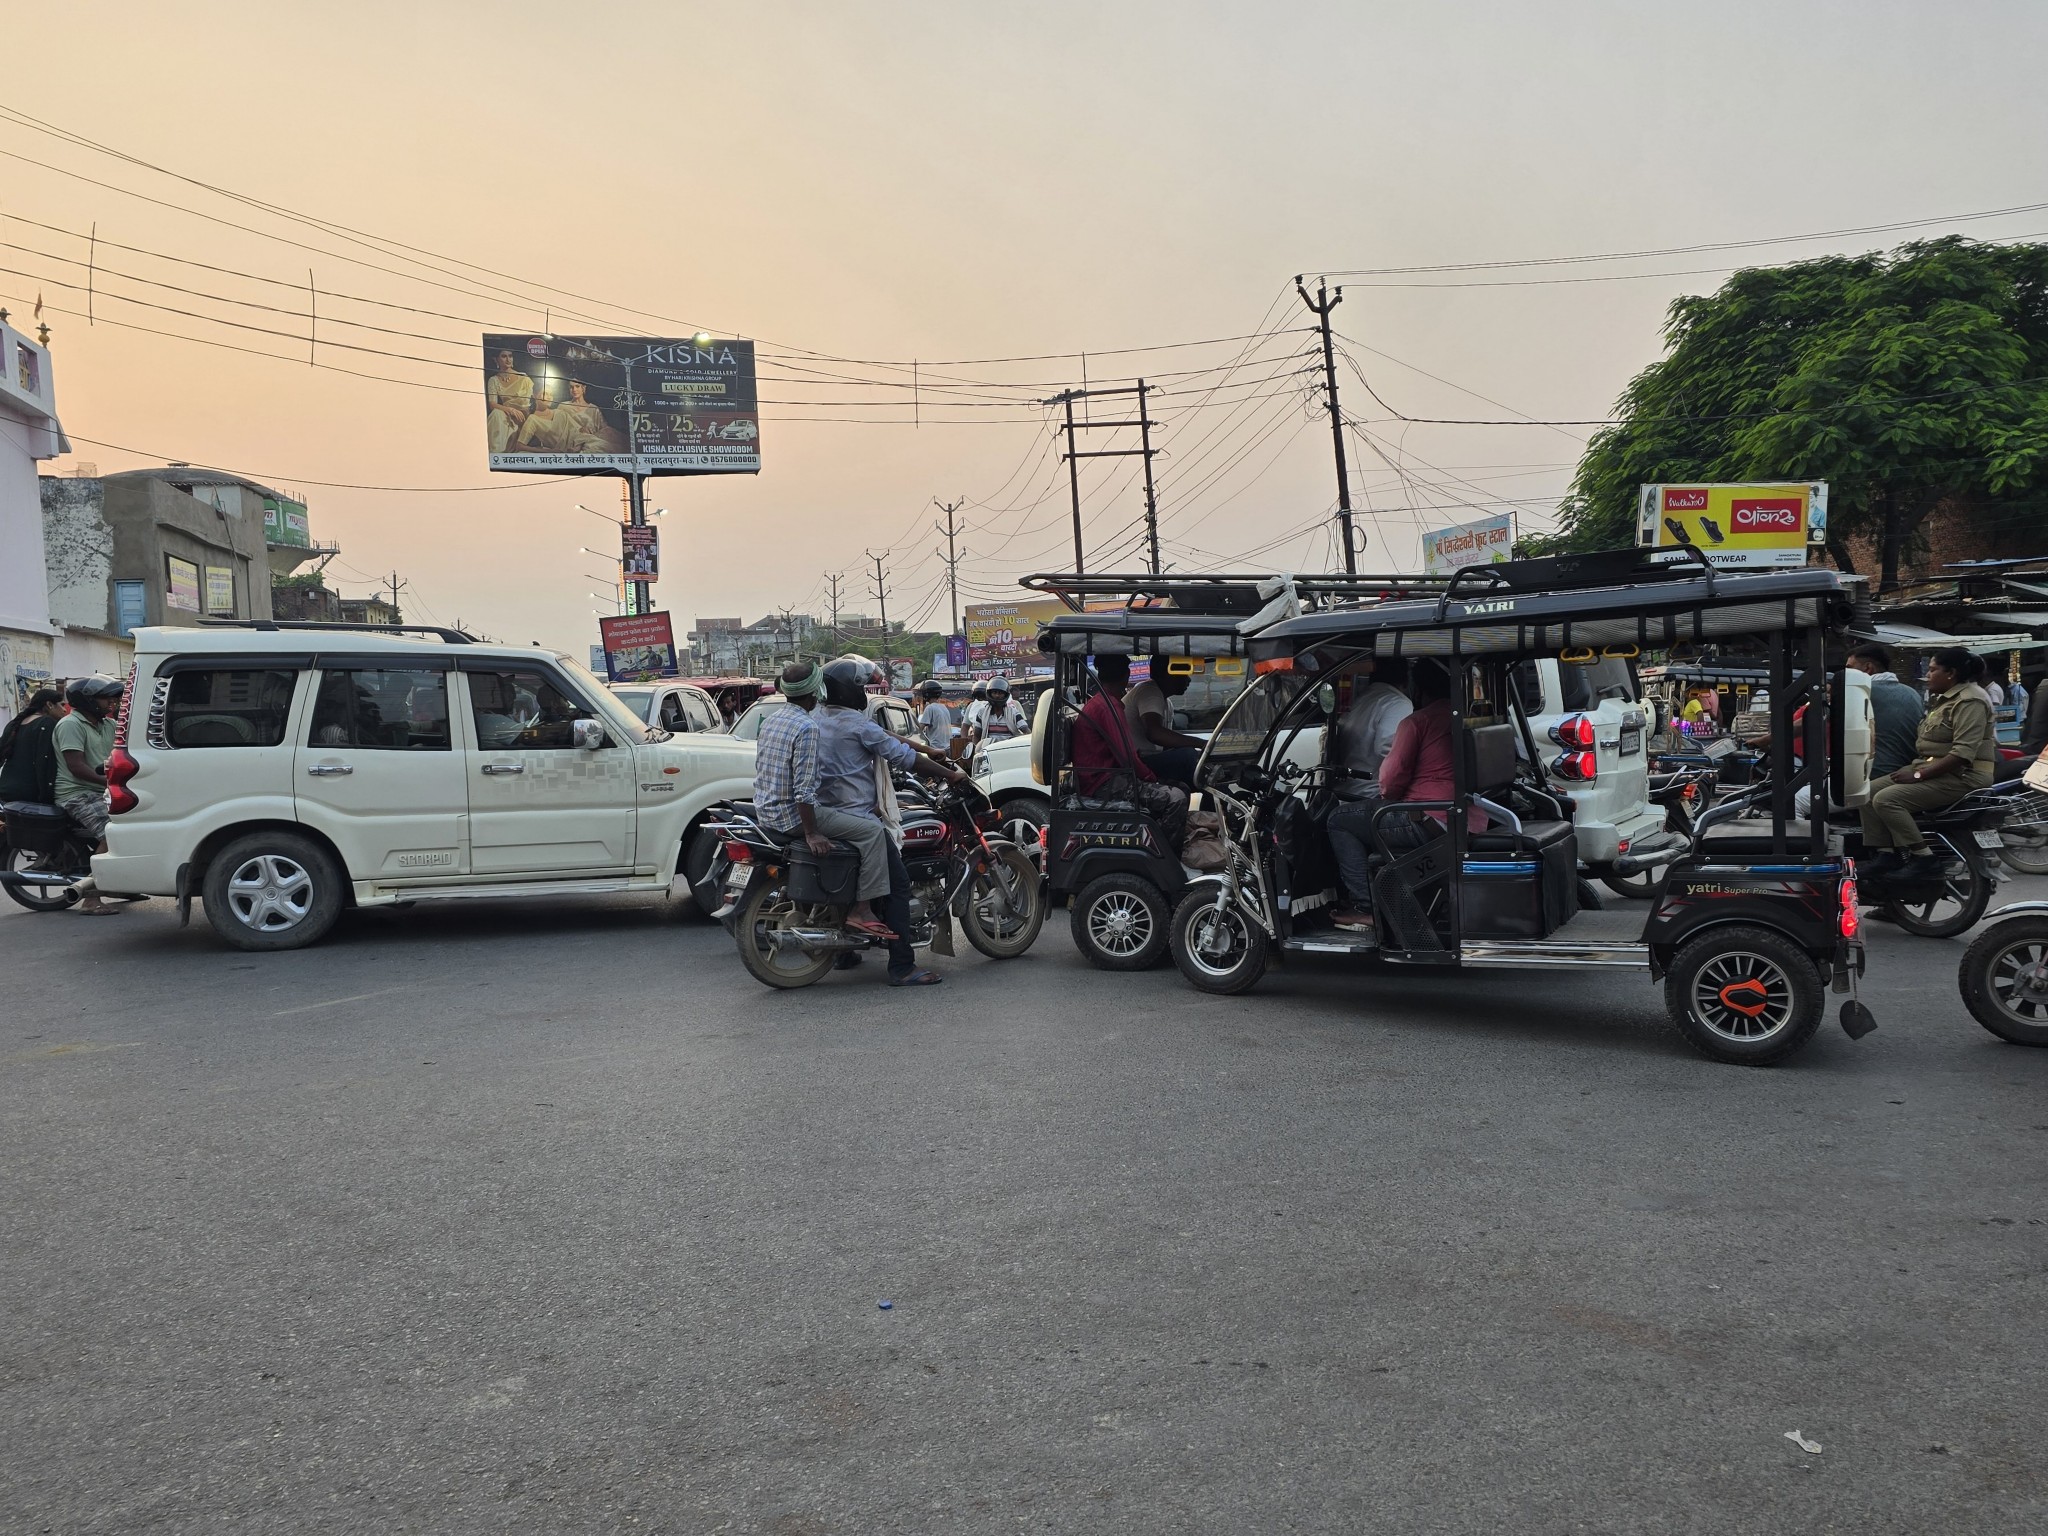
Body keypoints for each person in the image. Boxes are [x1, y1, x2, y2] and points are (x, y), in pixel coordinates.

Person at [816, 658, 969, 984]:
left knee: (854, 878)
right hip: (855, 814)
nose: (863, 692)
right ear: (848, 690)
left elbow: (885, 736)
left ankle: (845, 951)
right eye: (860, 687)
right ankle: (902, 966)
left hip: (826, 812)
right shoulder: (856, 724)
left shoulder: (819, 718)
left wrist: (928, 750)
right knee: (898, 885)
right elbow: (904, 758)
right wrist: (949, 774)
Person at [1329, 660, 1483, 931]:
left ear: (1418, 688)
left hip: (1430, 819)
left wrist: (1392, 796)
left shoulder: (1417, 721)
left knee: (1338, 819)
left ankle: (1365, 907)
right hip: (1473, 816)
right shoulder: (1468, 716)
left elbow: (1389, 781)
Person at [752, 659, 894, 943]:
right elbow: (803, 790)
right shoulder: (806, 727)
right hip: (793, 817)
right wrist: (812, 832)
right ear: (816, 691)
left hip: (765, 812)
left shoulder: (772, 720)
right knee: (873, 833)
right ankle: (862, 910)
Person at [1858, 646, 1996, 882]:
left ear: (1950, 673)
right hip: (1935, 768)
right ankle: (1886, 854)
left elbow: (1962, 754)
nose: (1927, 675)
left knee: (1887, 799)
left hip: (1964, 775)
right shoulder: (1945, 699)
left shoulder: (1970, 700)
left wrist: (1919, 776)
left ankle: (1924, 858)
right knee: (1865, 792)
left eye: (1933, 670)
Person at [1072, 654, 1187, 844]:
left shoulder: (1104, 703)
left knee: (1180, 787)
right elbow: (1127, 757)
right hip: (1103, 783)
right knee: (1176, 798)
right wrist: (1150, 777)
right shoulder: (1108, 707)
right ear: (1126, 675)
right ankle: (1168, 857)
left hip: (1108, 776)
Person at [52, 676, 124, 915]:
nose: (110, 703)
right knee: (111, 832)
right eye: (105, 699)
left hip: (101, 790)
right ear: (88, 701)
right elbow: (77, 767)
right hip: (77, 792)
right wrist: (111, 782)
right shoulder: (70, 724)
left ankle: (122, 884)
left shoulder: (108, 724)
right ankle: (91, 900)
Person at [1124, 665, 1205, 785]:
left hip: (1146, 759)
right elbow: (1154, 733)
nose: (1188, 680)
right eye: (1184, 674)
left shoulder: (1167, 703)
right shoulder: (1149, 691)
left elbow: (1166, 744)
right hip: (1135, 763)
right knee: (1188, 756)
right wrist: (1202, 743)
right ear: (1166, 674)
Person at [0, 688, 64, 803]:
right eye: (61, 705)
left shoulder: (14, 724)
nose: (64, 710)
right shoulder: (47, 723)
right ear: (49, 704)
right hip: (32, 794)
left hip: (7, 789)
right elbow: (47, 763)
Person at [485, 349, 533, 453]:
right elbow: (492, 404)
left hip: (521, 416)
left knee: (499, 415)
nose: (508, 359)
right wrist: (510, 410)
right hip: (505, 415)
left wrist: (518, 416)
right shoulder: (493, 380)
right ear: (496, 359)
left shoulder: (523, 378)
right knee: (496, 414)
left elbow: (526, 405)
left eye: (510, 356)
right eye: (504, 356)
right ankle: (496, 454)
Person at [964, 677, 1028, 745]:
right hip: (988, 751)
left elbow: (1026, 731)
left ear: (1006, 695)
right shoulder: (981, 713)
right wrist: (977, 750)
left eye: (1000, 693)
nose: (997, 695)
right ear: (989, 693)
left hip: (1009, 751)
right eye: (994, 692)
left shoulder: (1014, 713)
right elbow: (977, 736)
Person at [917, 681, 955, 754]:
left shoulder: (930, 708)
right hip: (948, 748)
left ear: (926, 693)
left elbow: (919, 729)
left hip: (935, 748)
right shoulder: (944, 707)